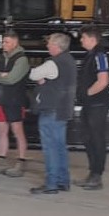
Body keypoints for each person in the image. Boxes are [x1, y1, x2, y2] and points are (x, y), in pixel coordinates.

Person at [28, 32, 77, 195]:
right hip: (64, 109)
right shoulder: (70, 61)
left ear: (56, 46)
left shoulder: (53, 63)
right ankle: (63, 181)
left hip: (51, 109)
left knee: (50, 149)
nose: (47, 45)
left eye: (49, 43)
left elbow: (33, 74)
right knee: (60, 147)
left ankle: (51, 183)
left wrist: (42, 80)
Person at [0, 30, 30, 177]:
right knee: (2, 131)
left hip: (15, 101)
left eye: (7, 42)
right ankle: (1, 160)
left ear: (15, 43)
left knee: (17, 131)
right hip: (0, 100)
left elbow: (12, 79)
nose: (3, 44)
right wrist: (3, 75)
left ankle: (21, 161)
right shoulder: (0, 57)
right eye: (3, 42)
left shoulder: (22, 60)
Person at [76, 27, 109, 190]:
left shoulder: (99, 55)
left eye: (83, 37)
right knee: (88, 138)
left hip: (97, 104)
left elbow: (103, 81)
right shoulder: (91, 55)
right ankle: (92, 173)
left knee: (96, 139)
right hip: (90, 104)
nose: (81, 40)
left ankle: (97, 175)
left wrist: (87, 94)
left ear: (92, 39)